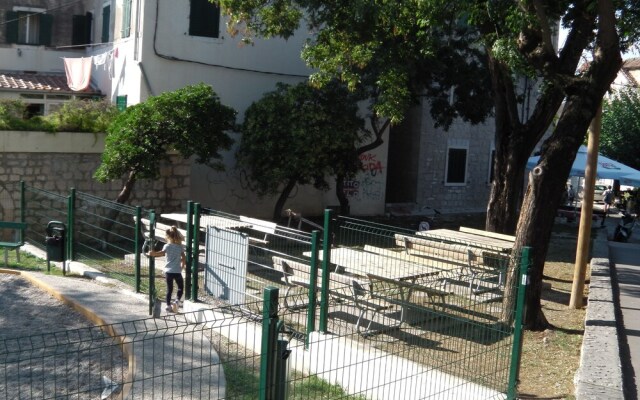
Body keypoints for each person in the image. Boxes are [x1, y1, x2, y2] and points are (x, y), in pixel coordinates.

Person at [147, 226, 186, 313]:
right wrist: (182, 267)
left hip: (168, 271)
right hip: (177, 271)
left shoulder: (167, 246)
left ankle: (168, 306)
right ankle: (176, 301)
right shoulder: (180, 247)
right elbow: (184, 258)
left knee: (169, 289)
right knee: (180, 287)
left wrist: (153, 253)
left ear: (168, 237)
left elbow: (161, 253)